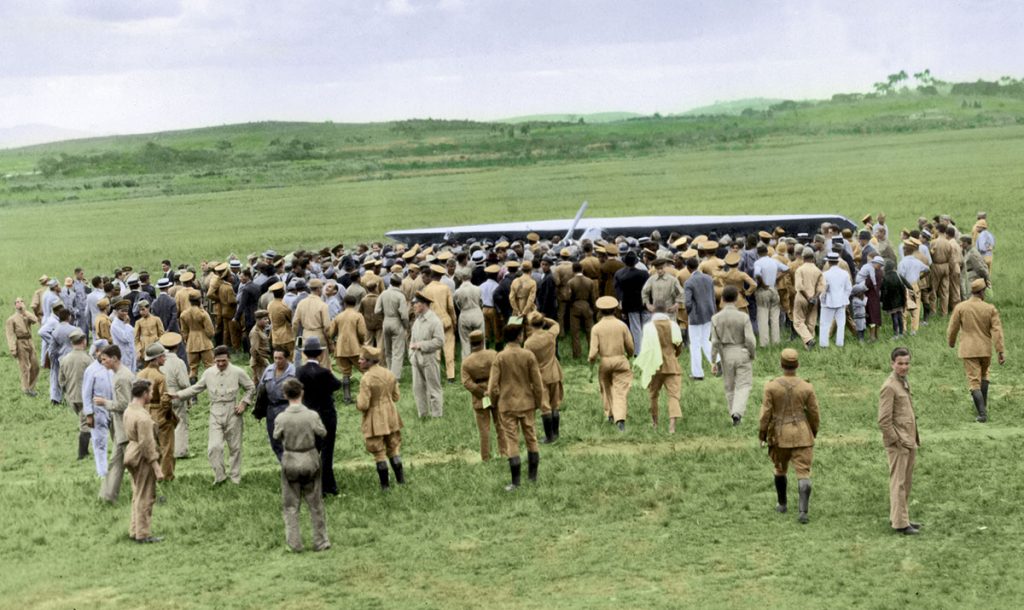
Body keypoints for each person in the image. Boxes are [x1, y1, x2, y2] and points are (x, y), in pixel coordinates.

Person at [172, 346, 255, 484]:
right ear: (214, 360)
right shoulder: (209, 373)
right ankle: (220, 477)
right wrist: (177, 395)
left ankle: (235, 478)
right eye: (218, 361)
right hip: (215, 412)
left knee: (235, 447)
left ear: (229, 358)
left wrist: (244, 403)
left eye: (223, 361)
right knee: (214, 447)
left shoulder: (237, 372)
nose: (221, 364)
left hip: (233, 412)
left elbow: (251, 387)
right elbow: (196, 388)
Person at [758, 348, 820, 524]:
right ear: (797, 365)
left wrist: (762, 434)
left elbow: (765, 413)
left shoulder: (771, 386)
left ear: (781, 364)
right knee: (803, 473)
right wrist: (812, 431)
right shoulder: (807, 387)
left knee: (779, 468)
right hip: (802, 434)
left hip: (779, 435)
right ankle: (803, 512)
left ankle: (782, 503)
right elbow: (814, 413)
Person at [272, 378, 330, 552]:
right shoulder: (311, 415)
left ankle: (294, 543)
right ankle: (321, 541)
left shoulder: (281, 417)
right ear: (302, 393)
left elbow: (276, 436)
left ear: (285, 395)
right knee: (316, 503)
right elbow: (322, 432)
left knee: (290, 505)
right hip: (310, 456)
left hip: (290, 458)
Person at [488, 322, 545, 491]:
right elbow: (538, 383)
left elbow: (492, 386)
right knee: (531, 438)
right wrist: (538, 402)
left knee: (512, 441)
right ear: (519, 337)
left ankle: (516, 482)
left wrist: (493, 401)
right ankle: (533, 477)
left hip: (506, 405)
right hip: (527, 403)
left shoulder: (499, 357)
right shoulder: (528, 355)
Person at [946, 279, 1005, 422]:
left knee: (974, 381)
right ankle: (983, 407)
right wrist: (1000, 351)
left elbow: (953, 328)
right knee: (984, 376)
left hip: (968, 349)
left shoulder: (961, 307)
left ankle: (982, 414)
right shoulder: (990, 308)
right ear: (982, 292)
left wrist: (951, 342)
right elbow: (997, 331)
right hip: (985, 349)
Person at [878, 347, 921, 535]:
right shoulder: (889, 386)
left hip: (909, 440)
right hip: (899, 443)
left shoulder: (903, 382)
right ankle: (900, 524)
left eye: (907, 363)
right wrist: (896, 441)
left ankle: (901, 517)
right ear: (892, 364)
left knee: (906, 482)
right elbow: (883, 420)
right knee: (899, 482)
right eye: (900, 363)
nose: (904, 367)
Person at [295, 338, 342, 496]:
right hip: (326, 414)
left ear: (305, 354)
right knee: (327, 451)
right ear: (321, 354)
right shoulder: (324, 372)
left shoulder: (299, 371)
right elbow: (337, 385)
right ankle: (328, 485)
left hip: (308, 414)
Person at [356, 345, 406, 491]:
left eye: (362, 359)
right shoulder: (389, 373)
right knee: (394, 447)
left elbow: (364, 404)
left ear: (370, 361)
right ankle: (401, 481)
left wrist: (357, 402)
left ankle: (385, 487)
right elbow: (396, 397)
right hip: (391, 414)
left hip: (375, 417)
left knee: (378, 452)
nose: (359, 362)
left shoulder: (366, 378)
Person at [124, 379, 166, 543]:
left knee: (137, 493)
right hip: (142, 457)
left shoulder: (129, 410)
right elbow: (147, 445)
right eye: (150, 391)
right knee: (146, 496)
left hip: (130, 453)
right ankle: (143, 534)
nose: (152, 394)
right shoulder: (143, 417)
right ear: (144, 394)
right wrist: (156, 467)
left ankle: (135, 530)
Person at [633, 304, 683, 433]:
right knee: (673, 396)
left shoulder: (649, 327)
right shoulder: (674, 325)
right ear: (666, 311)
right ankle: (672, 426)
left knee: (653, 395)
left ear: (653, 312)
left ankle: (655, 423)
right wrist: (674, 355)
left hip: (654, 366)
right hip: (671, 364)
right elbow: (679, 345)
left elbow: (646, 348)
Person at [711, 286, 757, 426]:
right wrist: (752, 353)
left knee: (729, 386)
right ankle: (737, 412)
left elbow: (715, 342)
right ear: (737, 299)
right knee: (743, 385)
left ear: (722, 299)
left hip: (726, 353)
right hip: (742, 351)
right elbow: (750, 339)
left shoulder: (716, 318)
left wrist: (713, 361)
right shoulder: (743, 317)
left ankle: (733, 413)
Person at [588, 296, 634, 431]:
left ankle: (609, 414)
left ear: (600, 311)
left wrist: (591, 366)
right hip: (620, 360)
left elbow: (592, 353)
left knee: (606, 388)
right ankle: (620, 419)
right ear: (614, 310)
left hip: (605, 361)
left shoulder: (596, 328)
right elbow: (630, 346)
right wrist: (630, 356)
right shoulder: (622, 325)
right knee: (620, 390)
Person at [460, 330, 506, 461]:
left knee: (484, 430)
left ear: (471, 344)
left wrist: (481, 392)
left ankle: (486, 457)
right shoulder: (493, 354)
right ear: (483, 341)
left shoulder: (466, 362)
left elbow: (466, 382)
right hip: (496, 395)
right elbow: (502, 372)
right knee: (501, 426)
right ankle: (504, 453)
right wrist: (493, 389)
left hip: (479, 398)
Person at [98, 345, 135, 503]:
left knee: (134, 464)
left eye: (104, 359)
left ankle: (143, 493)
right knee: (116, 463)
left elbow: (124, 404)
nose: (103, 363)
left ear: (114, 358)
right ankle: (107, 496)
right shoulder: (121, 374)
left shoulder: (121, 378)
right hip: (122, 429)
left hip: (125, 429)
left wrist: (104, 403)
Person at [136, 342, 177, 481]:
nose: (165, 358)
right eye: (162, 356)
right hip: (158, 412)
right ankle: (166, 476)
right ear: (157, 358)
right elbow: (165, 399)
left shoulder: (140, 374)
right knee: (167, 448)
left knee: (152, 447)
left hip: (143, 412)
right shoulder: (160, 377)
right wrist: (168, 414)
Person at [523, 312, 564, 443]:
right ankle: (556, 433)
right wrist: (543, 319)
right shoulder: (550, 335)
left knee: (545, 406)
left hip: (539, 377)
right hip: (554, 372)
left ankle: (549, 436)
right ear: (542, 323)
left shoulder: (529, 343)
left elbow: (527, 362)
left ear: (530, 325)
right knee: (555, 405)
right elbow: (556, 324)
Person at [409, 291, 445, 418]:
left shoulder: (434, 321)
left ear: (424, 304)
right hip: (416, 358)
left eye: (416, 303)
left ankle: (437, 415)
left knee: (433, 388)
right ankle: (423, 414)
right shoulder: (417, 320)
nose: (413, 305)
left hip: (429, 357)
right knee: (418, 388)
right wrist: (411, 355)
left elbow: (439, 341)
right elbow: (412, 339)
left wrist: (421, 345)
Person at [58, 330, 93, 459]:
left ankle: (86, 451)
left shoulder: (64, 359)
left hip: (71, 397)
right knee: (86, 425)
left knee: (84, 421)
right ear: (84, 341)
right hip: (85, 397)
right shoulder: (87, 359)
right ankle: (82, 453)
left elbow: (61, 381)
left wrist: (68, 392)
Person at [327, 294, 366, 404]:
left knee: (345, 373)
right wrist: (362, 343)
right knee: (365, 371)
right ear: (355, 304)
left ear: (344, 304)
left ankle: (347, 398)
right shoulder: (358, 316)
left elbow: (330, 333)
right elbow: (362, 333)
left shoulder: (338, 316)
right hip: (355, 348)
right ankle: (367, 394)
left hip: (341, 349)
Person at [158, 333, 192, 459]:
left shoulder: (158, 361)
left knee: (165, 424)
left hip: (162, 395)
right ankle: (180, 451)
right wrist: (188, 397)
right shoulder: (178, 362)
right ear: (177, 346)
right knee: (180, 423)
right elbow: (184, 383)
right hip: (176, 394)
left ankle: (165, 449)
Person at [82, 339, 113, 476]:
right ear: (97, 353)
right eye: (102, 352)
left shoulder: (112, 367)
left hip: (113, 408)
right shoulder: (91, 370)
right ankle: (102, 472)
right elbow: (86, 393)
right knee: (100, 442)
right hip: (98, 411)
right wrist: (89, 413)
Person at [259, 349, 296, 460]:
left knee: (289, 439)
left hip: (287, 407)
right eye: (275, 358)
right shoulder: (269, 370)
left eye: (280, 358)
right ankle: (284, 464)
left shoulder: (293, 372)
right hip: (272, 409)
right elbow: (261, 387)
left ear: (287, 358)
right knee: (274, 440)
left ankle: (293, 465)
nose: (277, 361)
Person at [683, 257, 716, 380]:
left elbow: (687, 302)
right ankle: (718, 361)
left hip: (696, 316)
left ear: (688, 268)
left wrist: (689, 313)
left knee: (695, 345)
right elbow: (712, 297)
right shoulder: (708, 279)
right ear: (698, 265)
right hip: (709, 313)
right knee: (705, 340)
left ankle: (697, 373)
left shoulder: (688, 282)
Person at [752, 243, 790, 346]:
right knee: (775, 317)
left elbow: (757, 274)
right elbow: (787, 269)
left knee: (763, 316)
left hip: (763, 290)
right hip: (774, 288)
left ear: (758, 253)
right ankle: (776, 341)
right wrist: (777, 277)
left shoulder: (758, 262)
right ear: (767, 252)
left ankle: (764, 343)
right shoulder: (774, 261)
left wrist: (762, 284)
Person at [614, 252, 649, 355]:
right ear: (635, 261)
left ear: (625, 262)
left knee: (635, 328)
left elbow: (619, 292)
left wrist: (622, 305)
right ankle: (647, 349)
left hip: (630, 304)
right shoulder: (644, 274)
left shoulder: (621, 275)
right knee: (646, 327)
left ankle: (638, 351)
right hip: (644, 302)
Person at [376, 275, 410, 379]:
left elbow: (377, 310)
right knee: (398, 351)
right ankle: (395, 377)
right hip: (397, 322)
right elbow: (404, 314)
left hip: (386, 322)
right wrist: (406, 326)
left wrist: (383, 318)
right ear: (400, 284)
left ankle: (389, 373)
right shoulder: (400, 296)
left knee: (388, 350)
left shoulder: (383, 293)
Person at [292, 278, 332, 368]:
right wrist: (330, 342)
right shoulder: (323, 305)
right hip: (320, 337)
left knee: (307, 364)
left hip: (305, 336)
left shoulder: (301, 303)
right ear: (318, 289)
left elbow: (295, 323)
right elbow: (327, 327)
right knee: (323, 365)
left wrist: (295, 337)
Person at [6, 297, 40, 396]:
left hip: (30, 341)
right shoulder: (11, 319)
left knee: (35, 366)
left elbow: (35, 320)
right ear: (14, 305)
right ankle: (26, 390)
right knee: (24, 367)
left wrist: (25, 312)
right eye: (17, 302)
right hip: (20, 342)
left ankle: (31, 387)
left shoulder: (27, 315)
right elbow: (10, 335)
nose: (19, 303)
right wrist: (13, 349)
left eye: (21, 301)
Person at [819, 252, 852, 347]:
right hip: (841, 302)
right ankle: (839, 343)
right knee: (841, 324)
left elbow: (822, 290)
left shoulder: (825, 274)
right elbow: (849, 288)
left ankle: (824, 344)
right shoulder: (845, 274)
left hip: (828, 302)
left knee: (825, 324)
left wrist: (822, 299)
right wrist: (845, 298)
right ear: (837, 262)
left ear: (828, 262)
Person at [180, 290, 214, 382]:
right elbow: (210, 331)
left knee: (193, 368)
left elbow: (184, 331)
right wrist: (209, 337)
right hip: (205, 342)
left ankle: (194, 393)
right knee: (210, 366)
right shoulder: (203, 313)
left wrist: (187, 340)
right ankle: (211, 386)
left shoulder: (184, 314)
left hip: (191, 342)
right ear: (199, 300)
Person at [792, 250, 824, 349]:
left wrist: (807, 297)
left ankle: (809, 340)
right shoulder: (818, 271)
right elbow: (821, 286)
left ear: (803, 257)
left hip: (802, 297)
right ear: (813, 258)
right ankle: (809, 345)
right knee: (811, 321)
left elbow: (799, 286)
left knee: (798, 321)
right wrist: (814, 297)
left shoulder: (800, 270)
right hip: (814, 298)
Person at [567, 262, 598, 359]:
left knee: (575, 332)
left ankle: (577, 354)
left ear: (573, 270)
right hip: (587, 306)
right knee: (590, 331)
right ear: (582, 269)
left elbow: (569, 297)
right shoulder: (589, 281)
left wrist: (571, 304)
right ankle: (592, 352)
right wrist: (594, 308)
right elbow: (593, 297)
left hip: (575, 307)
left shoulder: (571, 282)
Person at [453, 276, 485, 359]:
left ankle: (467, 362)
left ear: (461, 279)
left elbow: (458, 305)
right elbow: (481, 302)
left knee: (465, 342)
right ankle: (482, 359)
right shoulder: (478, 289)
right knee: (481, 339)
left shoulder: (457, 292)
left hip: (464, 314)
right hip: (477, 313)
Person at [880, 260, 908, 338]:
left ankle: (896, 333)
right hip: (900, 299)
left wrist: (882, 300)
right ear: (893, 267)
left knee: (894, 316)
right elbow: (907, 284)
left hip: (890, 301)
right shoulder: (898, 275)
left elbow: (883, 289)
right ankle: (901, 333)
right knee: (900, 316)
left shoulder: (885, 278)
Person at [249, 310, 271, 384]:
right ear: (258, 320)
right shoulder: (255, 332)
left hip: (262, 360)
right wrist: (263, 362)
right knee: (262, 384)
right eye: (265, 319)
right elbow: (254, 350)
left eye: (267, 318)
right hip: (259, 362)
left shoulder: (261, 330)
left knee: (260, 383)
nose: (267, 321)